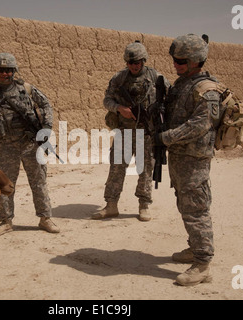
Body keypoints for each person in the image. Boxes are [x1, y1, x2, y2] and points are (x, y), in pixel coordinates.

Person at [156, 34, 217, 286]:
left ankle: (202, 264)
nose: (176, 64)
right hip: (179, 156)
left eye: (181, 60)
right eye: (174, 59)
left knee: (196, 209)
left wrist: (165, 138)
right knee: (184, 204)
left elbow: (199, 125)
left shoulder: (207, 89)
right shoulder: (182, 84)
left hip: (194, 158)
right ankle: (195, 248)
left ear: (195, 61)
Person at [0, 53, 59, 236]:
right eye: (1, 70)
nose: (5, 74)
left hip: (30, 144)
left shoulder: (26, 89)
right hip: (6, 147)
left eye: (8, 70)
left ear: (14, 71)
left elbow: (46, 105)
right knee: (4, 185)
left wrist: (46, 128)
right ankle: (6, 222)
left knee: (39, 182)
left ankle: (45, 218)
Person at [92, 41, 170, 222]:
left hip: (147, 133)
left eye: (138, 62)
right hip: (124, 132)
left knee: (146, 170)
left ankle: (144, 205)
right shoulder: (119, 78)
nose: (135, 66)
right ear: (126, 62)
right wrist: (119, 108)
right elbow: (107, 101)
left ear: (144, 61)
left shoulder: (156, 78)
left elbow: (169, 99)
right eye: (131, 63)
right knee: (117, 169)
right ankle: (111, 205)